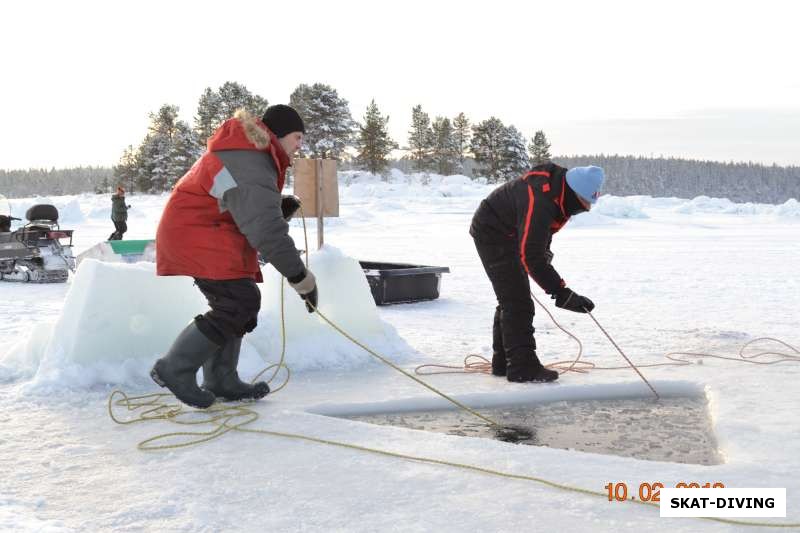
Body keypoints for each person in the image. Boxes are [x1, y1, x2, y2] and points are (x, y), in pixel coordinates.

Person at [151, 105, 317, 409]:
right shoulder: (252, 160)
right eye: (297, 137)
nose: (299, 145)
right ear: (279, 134)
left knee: (238, 302)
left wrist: (275, 207)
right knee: (238, 303)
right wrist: (300, 277)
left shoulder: (251, 154)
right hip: (199, 233)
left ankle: (221, 379)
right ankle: (175, 367)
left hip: (210, 231)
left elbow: (239, 200)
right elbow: (267, 232)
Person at [469, 162, 604, 383]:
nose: (582, 209)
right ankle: (522, 367)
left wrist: (545, 256)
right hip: (492, 232)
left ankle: (504, 362)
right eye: (581, 204)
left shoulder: (557, 193)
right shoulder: (539, 198)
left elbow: (540, 236)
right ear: (572, 192)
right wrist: (561, 292)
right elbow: (531, 255)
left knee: (512, 296)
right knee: (516, 300)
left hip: (512, 233)